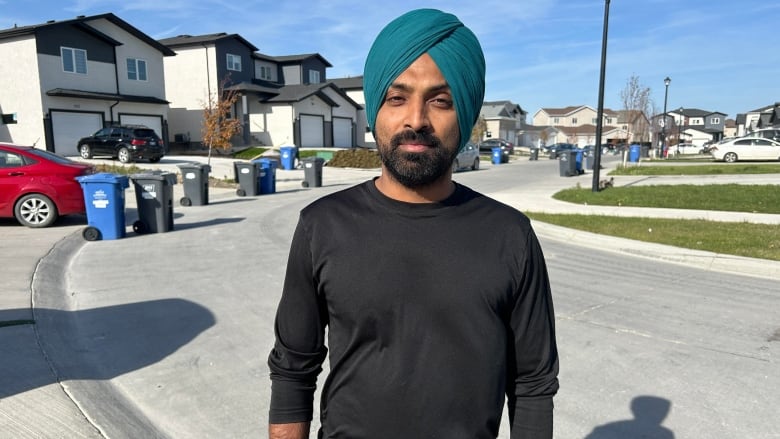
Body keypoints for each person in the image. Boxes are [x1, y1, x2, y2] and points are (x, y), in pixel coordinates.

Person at [268, 8, 559, 439]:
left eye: (440, 100)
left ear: (466, 115)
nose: (416, 120)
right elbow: (294, 368)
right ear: (376, 112)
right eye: (397, 98)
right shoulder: (322, 226)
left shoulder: (509, 236)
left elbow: (532, 384)